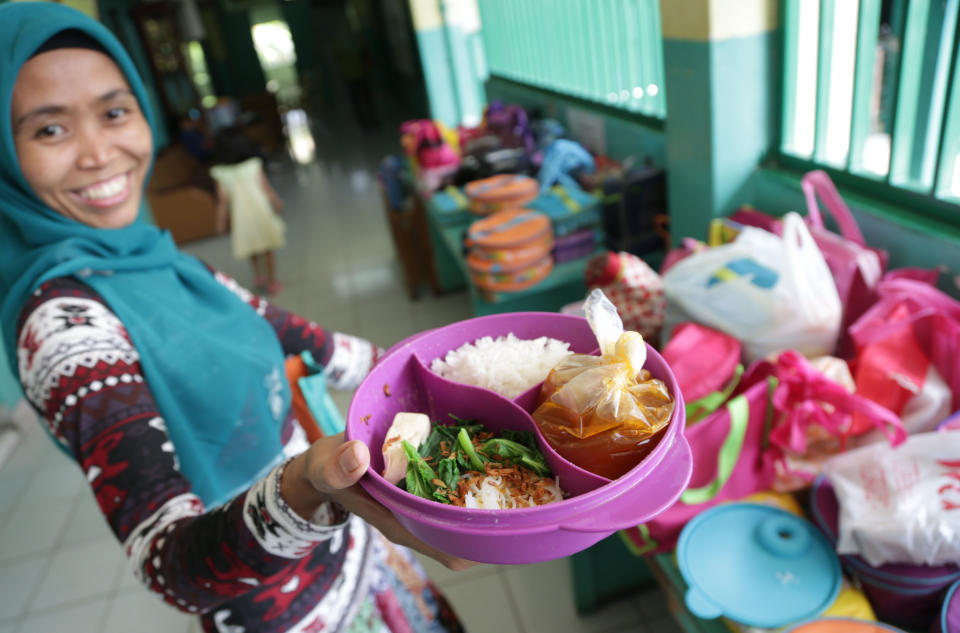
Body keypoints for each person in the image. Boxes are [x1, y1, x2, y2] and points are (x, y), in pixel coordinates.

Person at [0, 4, 472, 633]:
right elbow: (170, 562)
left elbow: (301, 337)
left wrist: (442, 371)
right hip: (286, 608)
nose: (97, 153)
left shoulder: (161, 261)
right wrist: (306, 486)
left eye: (114, 112)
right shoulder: (63, 328)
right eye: (50, 131)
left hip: (353, 553)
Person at [210, 126, 286, 294]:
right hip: (261, 212)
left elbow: (223, 201)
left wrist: (220, 222)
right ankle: (272, 281)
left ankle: (258, 276)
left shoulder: (220, 172)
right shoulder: (253, 165)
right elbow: (266, 189)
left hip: (241, 217)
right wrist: (277, 203)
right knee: (267, 247)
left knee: (252, 246)